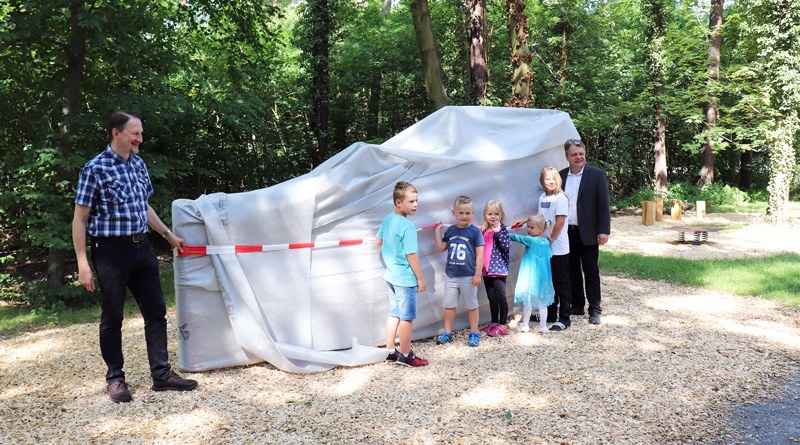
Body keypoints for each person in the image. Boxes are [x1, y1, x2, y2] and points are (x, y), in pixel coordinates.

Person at [72, 110, 198, 403]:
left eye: (141, 133)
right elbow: (79, 219)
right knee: (112, 316)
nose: (140, 139)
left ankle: (162, 375)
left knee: (156, 312)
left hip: (142, 248)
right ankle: (115, 379)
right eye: (135, 133)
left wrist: (167, 234)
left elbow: (144, 207)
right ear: (116, 134)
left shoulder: (138, 164)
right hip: (110, 252)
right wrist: (82, 263)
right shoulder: (95, 168)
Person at [376, 181, 429, 367]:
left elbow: (377, 241)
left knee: (394, 314)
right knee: (406, 318)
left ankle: (390, 351)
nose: (415, 205)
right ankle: (406, 355)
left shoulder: (388, 219)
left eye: (416, 201)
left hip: (391, 276)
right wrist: (420, 278)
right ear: (398, 202)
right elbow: (411, 255)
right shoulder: (407, 227)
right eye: (411, 201)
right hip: (405, 279)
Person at [559, 139, 610, 325]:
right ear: (567, 157)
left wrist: (604, 231)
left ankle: (595, 309)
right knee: (571, 269)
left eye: (581, 153)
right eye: (574, 154)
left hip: (589, 232)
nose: (578, 157)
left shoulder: (596, 174)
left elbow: (604, 205)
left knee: (590, 271)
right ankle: (577, 305)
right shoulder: (561, 176)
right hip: (567, 232)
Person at [515, 165, 571, 331]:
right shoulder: (542, 198)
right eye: (547, 179)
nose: (551, 181)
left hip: (557, 247)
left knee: (562, 282)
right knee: (548, 281)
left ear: (558, 180)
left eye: (554, 178)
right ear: (543, 181)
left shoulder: (561, 198)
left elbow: (559, 222)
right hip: (543, 248)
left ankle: (565, 317)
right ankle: (551, 313)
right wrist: (527, 220)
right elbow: (541, 219)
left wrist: (550, 240)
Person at [433, 196, 485, 347]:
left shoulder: (475, 231)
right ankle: (447, 333)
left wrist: (477, 274)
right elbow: (441, 248)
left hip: (468, 276)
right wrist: (437, 232)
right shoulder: (450, 230)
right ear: (453, 213)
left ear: (473, 213)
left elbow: (480, 253)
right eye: (461, 213)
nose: (464, 216)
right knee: (449, 306)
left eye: (468, 213)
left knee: (472, 306)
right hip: (451, 276)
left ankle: (474, 333)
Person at [509, 215, 555, 334]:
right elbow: (549, 255)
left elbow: (516, 238)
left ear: (541, 229)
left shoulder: (531, 240)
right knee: (543, 302)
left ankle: (525, 325)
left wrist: (502, 233)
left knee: (528, 301)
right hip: (544, 276)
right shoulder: (545, 242)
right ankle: (543, 326)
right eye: (528, 227)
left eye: (532, 227)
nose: (528, 229)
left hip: (531, 275)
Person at [479, 200, 511, 337]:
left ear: (501, 215)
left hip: (498, 269)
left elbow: (506, 245)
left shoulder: (502, 229)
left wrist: (498, 232)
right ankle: (494, 322)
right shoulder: (485, 230)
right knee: (491, 298)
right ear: (485, 215)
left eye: (496, 214)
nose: (493, 217)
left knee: (501, 297)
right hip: (486, 270)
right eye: (490, 214)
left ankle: (503, 325)